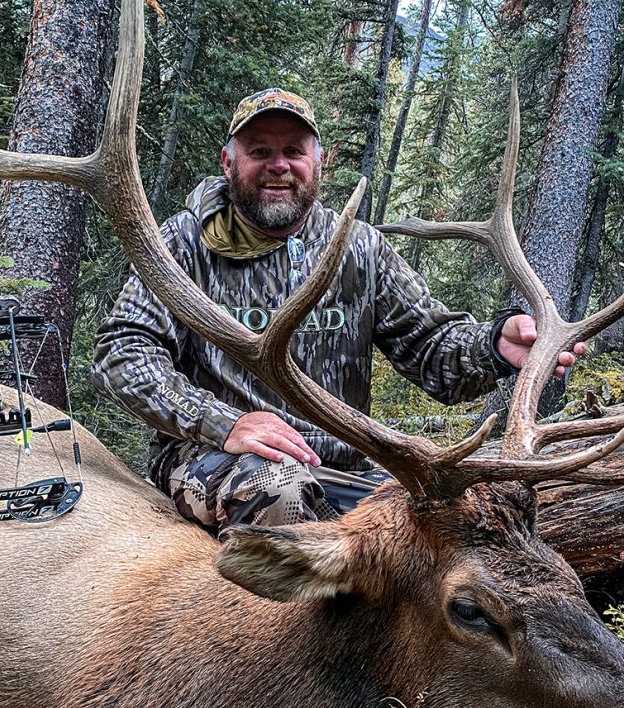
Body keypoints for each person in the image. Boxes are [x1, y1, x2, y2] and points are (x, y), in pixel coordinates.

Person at [92, 88, 583, 530]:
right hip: (215, 455)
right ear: (228, 162)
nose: (278, 165)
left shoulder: (358, 248)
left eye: (293, 152)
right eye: (259, 151)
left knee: (468, 517)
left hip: (345, 466)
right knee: (275, 490)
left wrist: (495, 346)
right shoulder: (183, 243)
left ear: (318, 162)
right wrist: (225, 424)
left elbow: (430, 348)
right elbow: (122, 353)